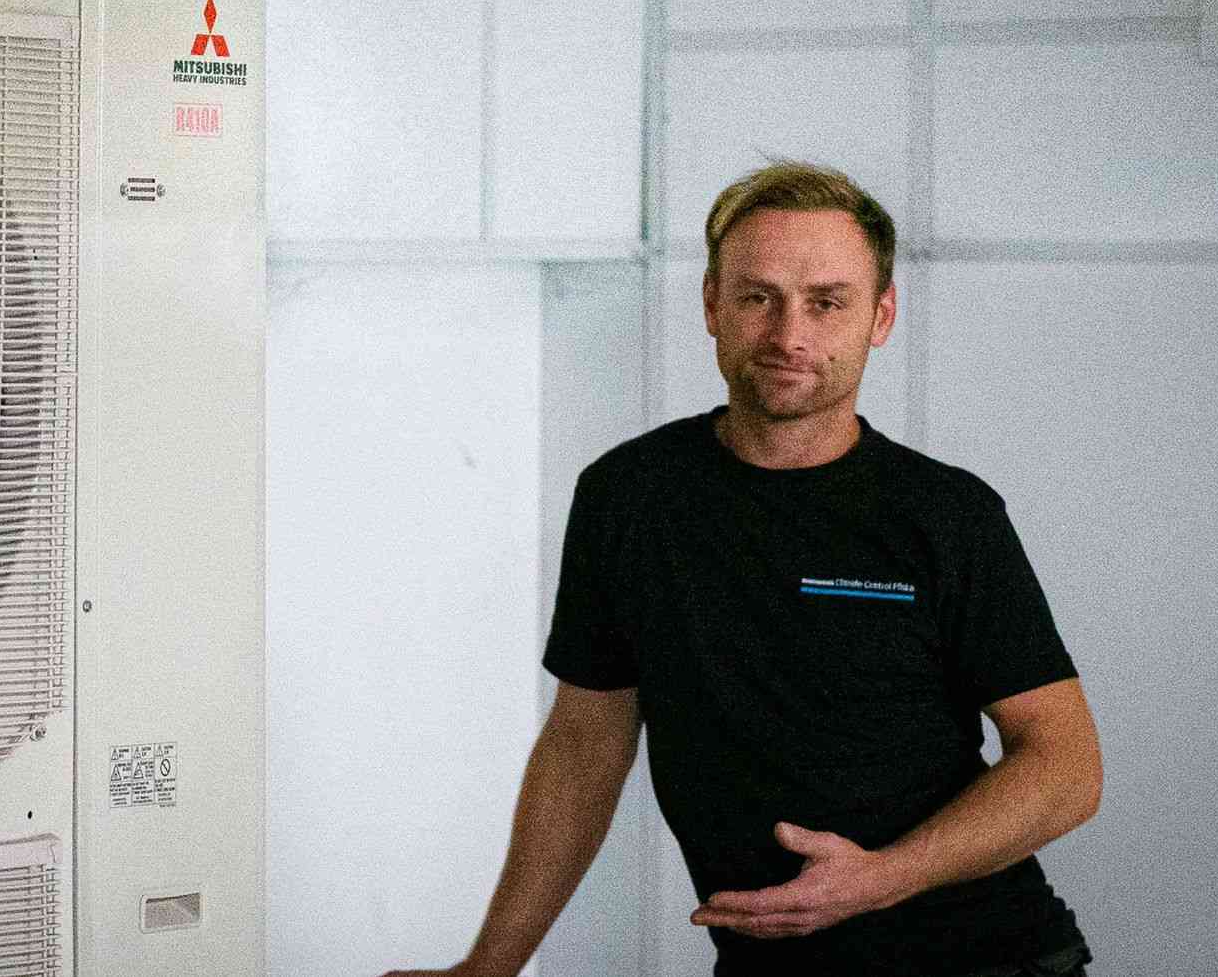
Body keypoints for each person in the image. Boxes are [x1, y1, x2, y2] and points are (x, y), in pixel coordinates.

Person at [382, 160, 1102, 977]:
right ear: (711, 305)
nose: (790, 334)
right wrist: (489, 967)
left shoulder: (946, 515)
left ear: (880, 317)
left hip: (984, 959)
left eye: (827, 303)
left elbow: (1067, 765)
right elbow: (584, 748)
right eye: (759, 297)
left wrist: (880, 879)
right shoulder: (631, 496)